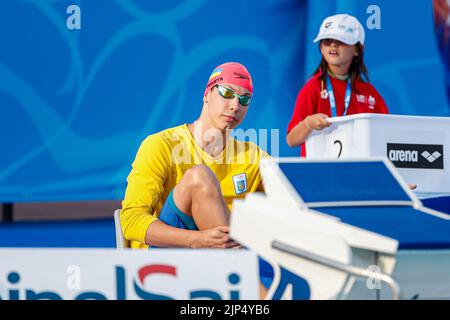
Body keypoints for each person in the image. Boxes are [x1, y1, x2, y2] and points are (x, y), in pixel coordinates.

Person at [120, 62, 268, 250]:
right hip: (166, 263)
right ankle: (244, 275)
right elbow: (131, 221)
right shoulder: (161, 145)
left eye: (244, 99)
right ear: (207, 94)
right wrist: (198, 240)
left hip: (227, 256)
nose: (235, 105)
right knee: (200, 178)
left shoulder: (254, 156)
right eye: (227, 93)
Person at [286, 14, 389, 156]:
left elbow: (387, 135)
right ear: (321, 47)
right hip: (319, 174)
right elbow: (291, 140)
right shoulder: (313, 88)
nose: (333, 45)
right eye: (327, 40)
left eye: (342, 40)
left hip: (358, 174)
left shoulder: (369, 93)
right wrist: (308, 123)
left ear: (357, 49)